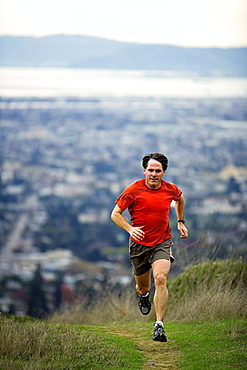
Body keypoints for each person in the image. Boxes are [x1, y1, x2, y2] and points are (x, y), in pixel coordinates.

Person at [111, 153, 188, 342]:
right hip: (139, 244)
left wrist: (180, 221)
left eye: (158, 171)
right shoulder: (133, 190)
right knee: (143, 286)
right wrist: (130, 229)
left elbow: (180, 199)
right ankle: (144, 295)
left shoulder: (171, 189)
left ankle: (159, 325)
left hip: (162, 241)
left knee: (160, 278)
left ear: (163, 172)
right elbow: (115, 214)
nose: (154, 174)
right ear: (144, 170)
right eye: (150, 170)